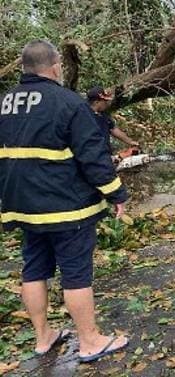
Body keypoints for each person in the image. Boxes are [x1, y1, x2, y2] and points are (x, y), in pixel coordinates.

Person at [0, 40, 129, 362]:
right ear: (56, 66)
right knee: (75, 274)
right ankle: (90, 341)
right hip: (66, 207)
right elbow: (93, 157)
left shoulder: (4, 103)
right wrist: (116, 193)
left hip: (22, 206)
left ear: (23, 68)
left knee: (33, 269)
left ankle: (43, 337)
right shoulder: (68, 102)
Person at [87, 86, 139, 157]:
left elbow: (113, 129)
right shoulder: (85, 116)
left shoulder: (103, 115)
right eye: (104, 101)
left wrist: (130, 141)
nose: (106, 103)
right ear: (96, 102)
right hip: (93, 155)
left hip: (105, 155)